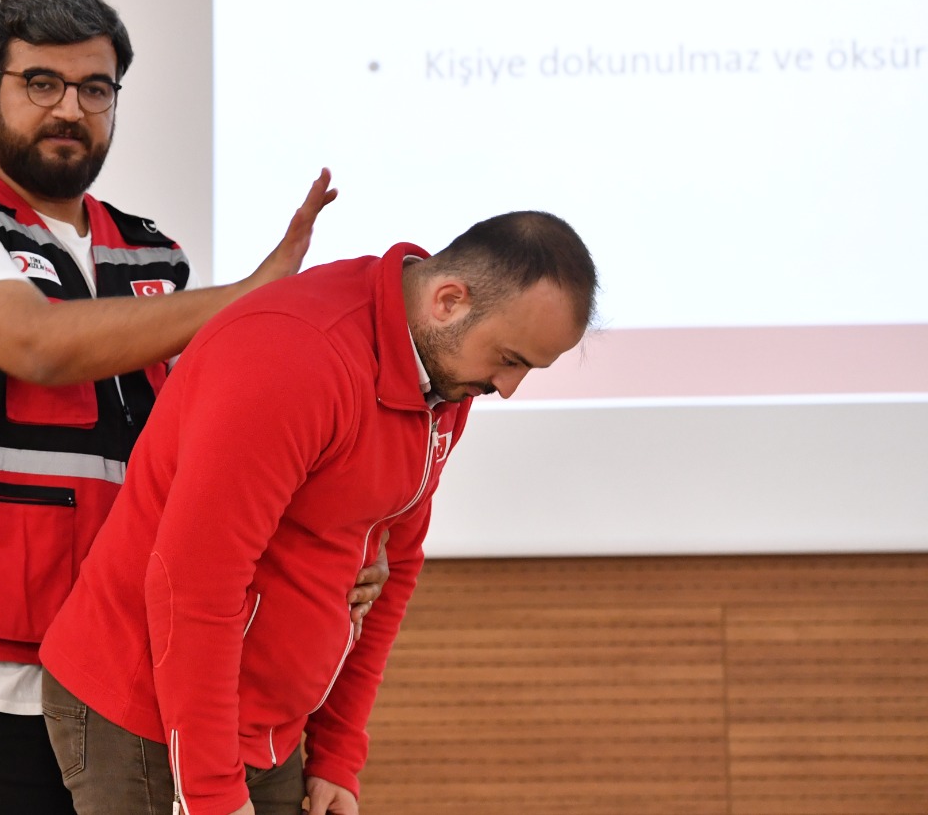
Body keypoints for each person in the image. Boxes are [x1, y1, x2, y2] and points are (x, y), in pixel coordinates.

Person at [0, 0, 387, 814]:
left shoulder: (151, 254)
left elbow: (210, 451)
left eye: (95, 89)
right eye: (42, 83)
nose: (70, 109)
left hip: (122, 654)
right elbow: (38, 345)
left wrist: (332, 551)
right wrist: (250, 298)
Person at [38, 211, 599, 815]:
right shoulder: (293, 357)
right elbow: (194, 586)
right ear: (448, 301)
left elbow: (388, 568)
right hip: (145, 715)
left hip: (263, 727)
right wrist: (211, 792)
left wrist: (337, 753)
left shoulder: (444, 376)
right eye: (510, 360)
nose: (508, 389)